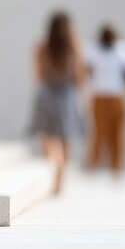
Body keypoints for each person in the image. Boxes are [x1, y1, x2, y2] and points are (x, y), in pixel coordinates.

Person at [29, 12, 86, 195]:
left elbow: (39, 74)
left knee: (47, 137)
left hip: (47, 94)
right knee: (67, 137)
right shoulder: (75, 47)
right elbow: (80, 77)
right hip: (68, 95)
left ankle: (54, 166)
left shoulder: (42, 47)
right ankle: (61, 175)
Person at [85, 23, 125, 175]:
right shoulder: (118, 50)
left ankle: (111, 167)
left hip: (109, 95)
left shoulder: (121, 49)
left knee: (115, 134)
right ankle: (102, 166)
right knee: (103, 134)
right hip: (109, 95)